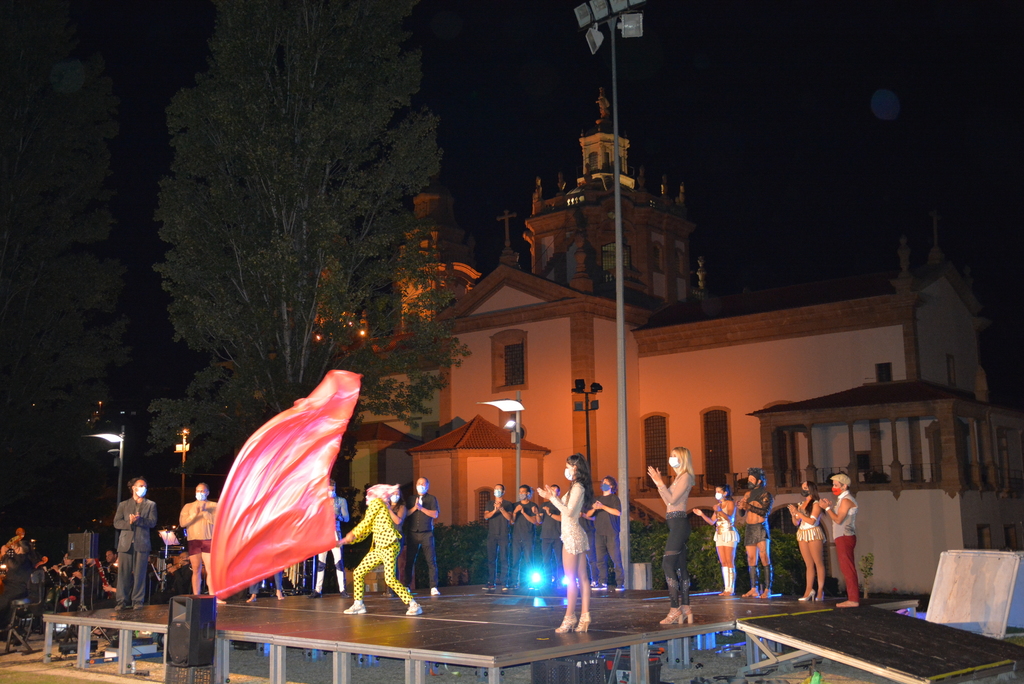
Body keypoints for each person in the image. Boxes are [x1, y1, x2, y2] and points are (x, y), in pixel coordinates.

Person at [338, 484, 421, 616]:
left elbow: (365, 523)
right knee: (359, 572)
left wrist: (351, 534)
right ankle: (359, 604)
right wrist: (348, 540)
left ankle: (413, 604)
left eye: (369, 494)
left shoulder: (377, 503)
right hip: (379, 548)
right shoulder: (378, 506)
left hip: (388, 545)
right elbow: (367, 530)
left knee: (390, 579)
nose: (366, 497)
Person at [538, 453, 594, 633]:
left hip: (571, 535)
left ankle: (570, 617)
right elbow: (565, 506)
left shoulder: (578, 487)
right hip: (575, 533)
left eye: (568, 466)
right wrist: (551, 496)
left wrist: (553, 499)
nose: (566, 470)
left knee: (572, 579)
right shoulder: (576, 487)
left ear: (575, 467)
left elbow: (568, 512)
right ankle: (584, 616)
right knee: (582, 578)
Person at [648, 447, 695, 624]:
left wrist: (660, 483)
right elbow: (668, 500)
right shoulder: (678, 478)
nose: (671, 458)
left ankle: (674, 608)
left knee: (667, 564)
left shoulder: (686, 477)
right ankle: (686, 607)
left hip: (680, 525)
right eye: (671, 455)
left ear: (682, 458)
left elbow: (673, 500)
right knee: (681, 567)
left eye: (675, 456)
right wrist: (659, 483)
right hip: (674, 523)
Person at [113, 477, 158, 610]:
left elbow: (152, 522)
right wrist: (129, 523)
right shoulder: (123, 504)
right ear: (133, 487)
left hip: (142, 543)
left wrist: (139, 520)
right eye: (140, 485)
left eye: (144, 486)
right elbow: (116, 523)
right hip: (125, 543)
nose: (142, 488)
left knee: (140, 573)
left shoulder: (151, 504)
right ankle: (121, 600)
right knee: (123, 573)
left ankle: (138, 600)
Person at [821, 473, 859, 607]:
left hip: (844, 536)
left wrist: (827, 508)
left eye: (836, 485)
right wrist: (830, 507)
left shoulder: (846, 500)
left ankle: (853, 599)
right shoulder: (842, 500)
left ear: (844, 486)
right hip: (842, 536)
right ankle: (852, 598)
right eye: (833, 485)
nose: (834, 487)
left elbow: (838, 519)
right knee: (846, 567)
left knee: (847, 568)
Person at [693, 484, 738, 596]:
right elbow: (711, 521)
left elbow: (730, 517)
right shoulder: (717, 505)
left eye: (719, 491)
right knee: (723, 562)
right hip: (719, 534)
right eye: (716, 491)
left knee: (729, 561)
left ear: (725, 493)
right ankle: (726, 588)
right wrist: (702, 514)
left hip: (728, 532)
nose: (716, 493)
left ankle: (730, 589)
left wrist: (720, 511)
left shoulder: (730, 503)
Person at [310, 479, 350, 599]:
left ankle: (342, 589)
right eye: (329, 490)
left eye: (333, 489)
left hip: (335, 533)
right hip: (323, 534)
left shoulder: (341, 501)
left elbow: (347, 518)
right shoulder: (321, 502)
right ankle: (318, 590)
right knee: (321, 563)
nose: (331, 492)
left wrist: (337, 516)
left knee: (338, 562)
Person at [737, 467, 773, 598]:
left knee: (764, 557)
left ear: (759, 481)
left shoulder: (766, 495)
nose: (750, 481)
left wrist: (749, 506)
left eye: (752, 479)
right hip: (750, 527)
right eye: (749, 478)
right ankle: (754, 588)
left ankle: (768, 588)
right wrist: (740, 507)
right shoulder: (747, 494)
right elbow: (742, 513)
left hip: (761, 527)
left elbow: (765, 512)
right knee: (751, 558)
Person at [788, 480, 826, 601]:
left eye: (805, 487)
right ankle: (808, 590)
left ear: (811, 489)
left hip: (813, 532)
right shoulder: (801, 504)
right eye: (802, 487)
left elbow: (812, 521)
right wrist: (793, 514)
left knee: (818, 563)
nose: (803, 489)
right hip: (803, 533)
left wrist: (798, 512)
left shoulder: (816, 504)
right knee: (808, 564)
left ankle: (820, 590)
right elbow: (796, 523)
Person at [586, 476, 626, 591]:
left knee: (616, 559)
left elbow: (617, 512)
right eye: (603, 482)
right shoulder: (597, 499)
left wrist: (602, 506)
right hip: (599, 532)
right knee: (600, 559)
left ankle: (620, 582)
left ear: (612, 486)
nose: (604, 484)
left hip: (612, 532)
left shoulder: (614, 499)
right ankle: (602, 581)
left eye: (606, 483)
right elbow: (588, 515)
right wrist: (594, 508)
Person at [404, 477, 440, 596]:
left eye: (423, 483)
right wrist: (415, 508)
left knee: (431, 561)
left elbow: (435, 514)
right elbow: (405, 514)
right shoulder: (410, 499)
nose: (421, 485)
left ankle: (433, 587)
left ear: (428, 486)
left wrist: (422, 508)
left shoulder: (431, 499)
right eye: (419, 483)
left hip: (427, 533)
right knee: (409, 561)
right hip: (413, 533)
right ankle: (406, 585)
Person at [179, 482, 217, 595]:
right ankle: (196, 595)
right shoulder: (188, 506)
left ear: (207, 492)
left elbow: (219, 521)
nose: (200, 493)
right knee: (196, 569)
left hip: (208, 540)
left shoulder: (214, 505)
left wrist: (205, 513)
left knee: (210, 570)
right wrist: (193, 514)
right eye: (198, 491)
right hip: (194, 541)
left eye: (202, 491)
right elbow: (182, 523)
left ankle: (213, 595)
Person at [482, 483, 514, 591]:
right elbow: (486, 516)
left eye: (499, 489)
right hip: (492, 534)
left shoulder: (508, 504)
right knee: (491, 558)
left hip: (504, 534)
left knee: (504, 558)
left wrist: (501, 509)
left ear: (503, 492)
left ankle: (505, 582)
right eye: (495, 489)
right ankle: (491, 582)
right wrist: (495, 510)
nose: (497, 491)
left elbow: (509, 517)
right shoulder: (490, 503)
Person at [0, 540, 37, 626]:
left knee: (2, 601)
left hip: (17, 589)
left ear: (19, 548)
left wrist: (3, 553)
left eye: (14, 547)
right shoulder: (22, 558)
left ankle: (5, 626)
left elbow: (13, 565)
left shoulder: (23, 558)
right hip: (11, 587)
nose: (13, 549)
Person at [510, 485, 540, 589]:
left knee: (529, 560)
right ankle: (514, 582)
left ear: (528, 493)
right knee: (515, 560)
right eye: (520, 492)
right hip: (517, 537)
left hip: (528, 537)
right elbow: (512, 521)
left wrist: (523, 512)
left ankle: (531, 583)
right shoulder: (515, 505)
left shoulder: (533, 505)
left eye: (523, 492)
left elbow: (535, 521)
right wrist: (515, 512)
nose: (521, 494)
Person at [538, 484, 562, 584]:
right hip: (546, 536)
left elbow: (562, 518)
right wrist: (536, 514)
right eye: (550, 490)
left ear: (558, 493)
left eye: (554, 490)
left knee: (559, 560)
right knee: (546, 560)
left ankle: (560, 580)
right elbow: (539, 521)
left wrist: (550, 513)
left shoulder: (561, 504)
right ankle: (547, 580)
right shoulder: (543, 505)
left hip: (558, 536)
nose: (552, 491)